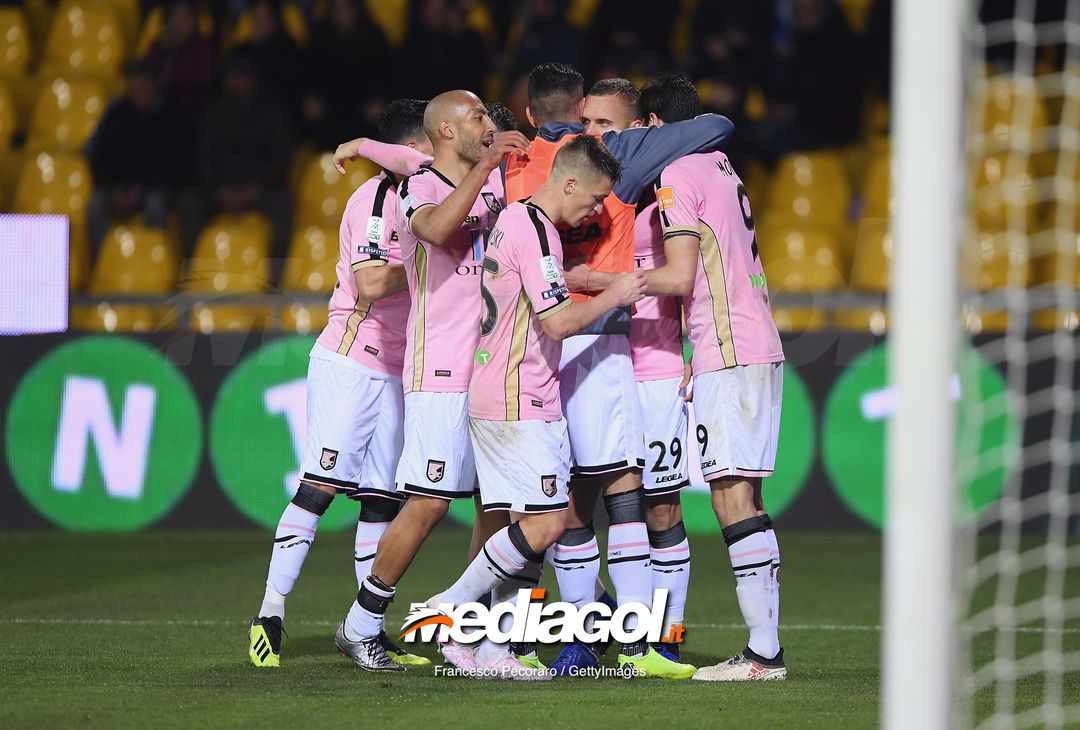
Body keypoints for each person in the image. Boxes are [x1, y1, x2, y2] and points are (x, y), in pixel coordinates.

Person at [505, 65, 732, 678]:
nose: (594, 134)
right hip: (573, 348)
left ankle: (661, 639)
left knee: (655, 503)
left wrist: (695, 350)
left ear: (642, 128)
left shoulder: (665, 183)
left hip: (649, 361)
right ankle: (588, 635)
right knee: (572, 498)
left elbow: (694, 279)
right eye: (588, 123)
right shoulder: (570, 171)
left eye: (607, 125)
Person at [578, 83, 788, 682]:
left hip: (728, 347)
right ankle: (764, 647)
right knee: (748, 498)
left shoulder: (675, 178)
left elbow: (679, 275)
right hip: (754, 342)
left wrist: (596, 279)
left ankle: (762, 655)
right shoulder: (722, 166)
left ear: (651, 126)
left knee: (730, 497)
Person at [424, 135, 647, 680]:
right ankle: (452, 609)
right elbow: (555, 322)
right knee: (547, 525)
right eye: (594, 199)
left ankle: (496, 649)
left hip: (502, 391)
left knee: (523, 527)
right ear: (568, 182)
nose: (596, 211)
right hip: (519, 396)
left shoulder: (518, 221)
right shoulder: (537, 231)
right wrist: (612, 295)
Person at [335, 91, 531, 672]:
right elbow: (441, 229)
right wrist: (491, 166)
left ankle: (468, 632)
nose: (487, 124)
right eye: (476, 117)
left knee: (496, 506)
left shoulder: (491, 184)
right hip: (439, 369)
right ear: (445, 129)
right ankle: (361, 623)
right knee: (427, 503)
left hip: (493, 370)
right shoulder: (415, 190)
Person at [247, 99, 433, 670]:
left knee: (381, 500)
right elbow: (373, 280)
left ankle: (365, 629)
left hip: (399, 368)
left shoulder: (425, 198)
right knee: (321, 487)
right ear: (413, 149)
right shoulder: (378, 198)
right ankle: (270, 615)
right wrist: (430, 257)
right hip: (354, 360)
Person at [190, 51, 292, 259]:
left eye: (242, 77)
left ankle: (277, 271)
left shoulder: (271, 114)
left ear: (253, 80)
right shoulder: (214, 113)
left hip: (259, 188)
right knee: (188, 202)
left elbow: (280, 158)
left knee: (284, 204)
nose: (237, 82)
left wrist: (255, 189)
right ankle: (188, 268)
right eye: (233, 77)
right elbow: (203, 157)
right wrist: (219, 189)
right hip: (220, 188)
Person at [86, 60, 191, 255]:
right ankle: (102, 261)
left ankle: (160, 261)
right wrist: (115, 187)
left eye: (143, 85)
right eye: (134, 85)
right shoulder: (117, 113)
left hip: (155, 186)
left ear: (154, 86)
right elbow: (102, 156)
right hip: (118, 187)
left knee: (155, 205)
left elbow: (175, 162)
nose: (139, 90)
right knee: (96, 203)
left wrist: (141, 188)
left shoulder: (171, 116)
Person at [144, 0, 219, 118]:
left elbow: (207, 79)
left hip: (193, 112)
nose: (180, 24)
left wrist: (173, 72)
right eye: (176, 18)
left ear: (195, 21)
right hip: (159, 113)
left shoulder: (205, 47)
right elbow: (149, 77)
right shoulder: (159, 46)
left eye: (185, 18)